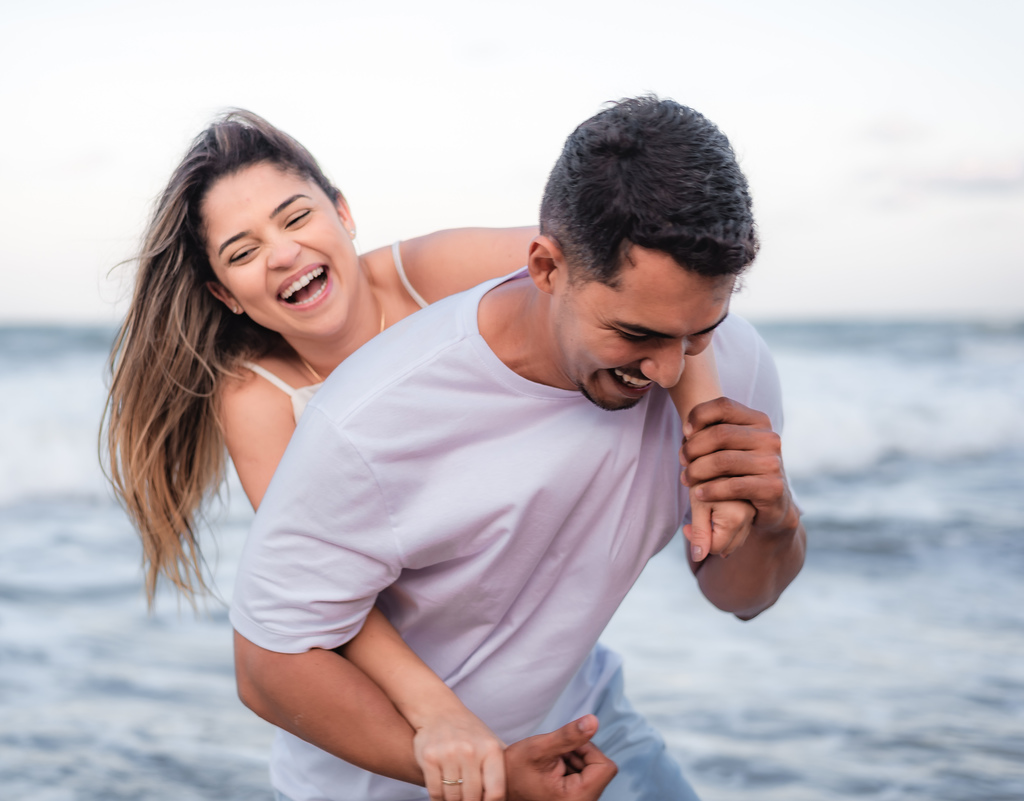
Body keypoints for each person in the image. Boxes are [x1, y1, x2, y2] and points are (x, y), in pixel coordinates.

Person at [103, 109, 753, 800]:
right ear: (223, 294)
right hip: (401, 740)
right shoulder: (258, 397)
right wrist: (440, 716)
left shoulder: (431, 273)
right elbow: (326, 594)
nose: (283, 254)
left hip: (570, 698)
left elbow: (645, 283)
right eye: (243, 253)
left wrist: (709, 458)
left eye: (296, 217)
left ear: (343, 213)